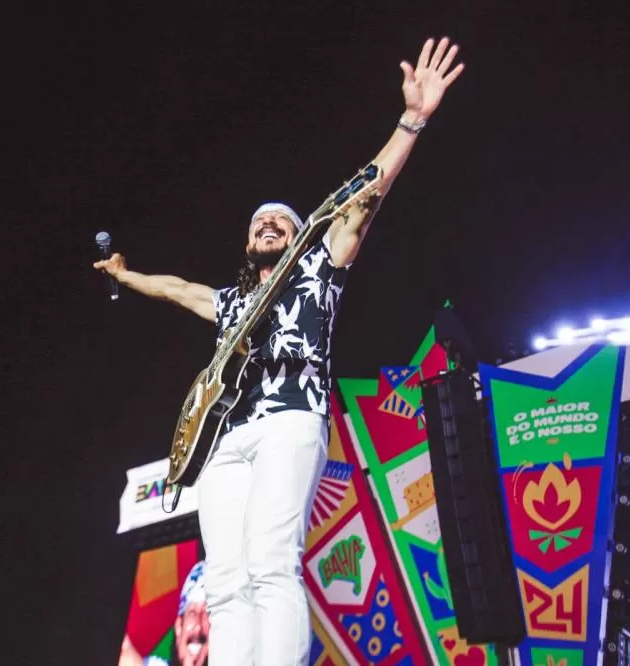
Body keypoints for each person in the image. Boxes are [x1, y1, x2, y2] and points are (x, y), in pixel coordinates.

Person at [97, 36, 464, 666]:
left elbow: (366, 199)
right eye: (258, 223)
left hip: (290, 421)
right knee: (226, 580)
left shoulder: (319, 266)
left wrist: (413, 119)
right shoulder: (231, 305)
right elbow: (178, 289)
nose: (268, 225)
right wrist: (126, 276)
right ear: (247, 244)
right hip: (224, 440)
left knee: (271, 562)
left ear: (296, 236)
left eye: (281, 222)